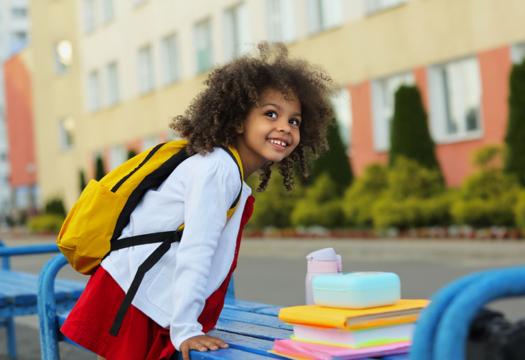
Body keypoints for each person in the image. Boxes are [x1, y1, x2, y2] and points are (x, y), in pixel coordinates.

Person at [60, 42, 334, 360]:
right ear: (238, 120)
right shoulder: (218, 169)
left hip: (144, 294)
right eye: (270, 114)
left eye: (295, 121)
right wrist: (187, 329)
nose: (285, 127)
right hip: (138, 300)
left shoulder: (223, 168)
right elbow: (196, 249)